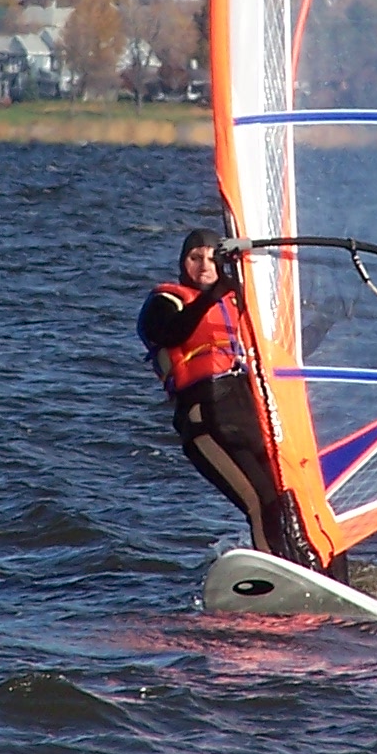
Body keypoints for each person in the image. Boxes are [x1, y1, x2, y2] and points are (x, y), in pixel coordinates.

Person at [138, 228, 325, 571]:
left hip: (251, 414)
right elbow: (170, 332)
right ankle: (280, 574)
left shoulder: (236, 304)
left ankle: (314, 571)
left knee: (288, 501)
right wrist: (213, 295)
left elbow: (280, 354)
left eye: (212, 258)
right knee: (260, 502)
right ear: (183, 262)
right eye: (195, 258)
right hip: (205, 419)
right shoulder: (164, 302)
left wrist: (327, 321)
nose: (205, 265)